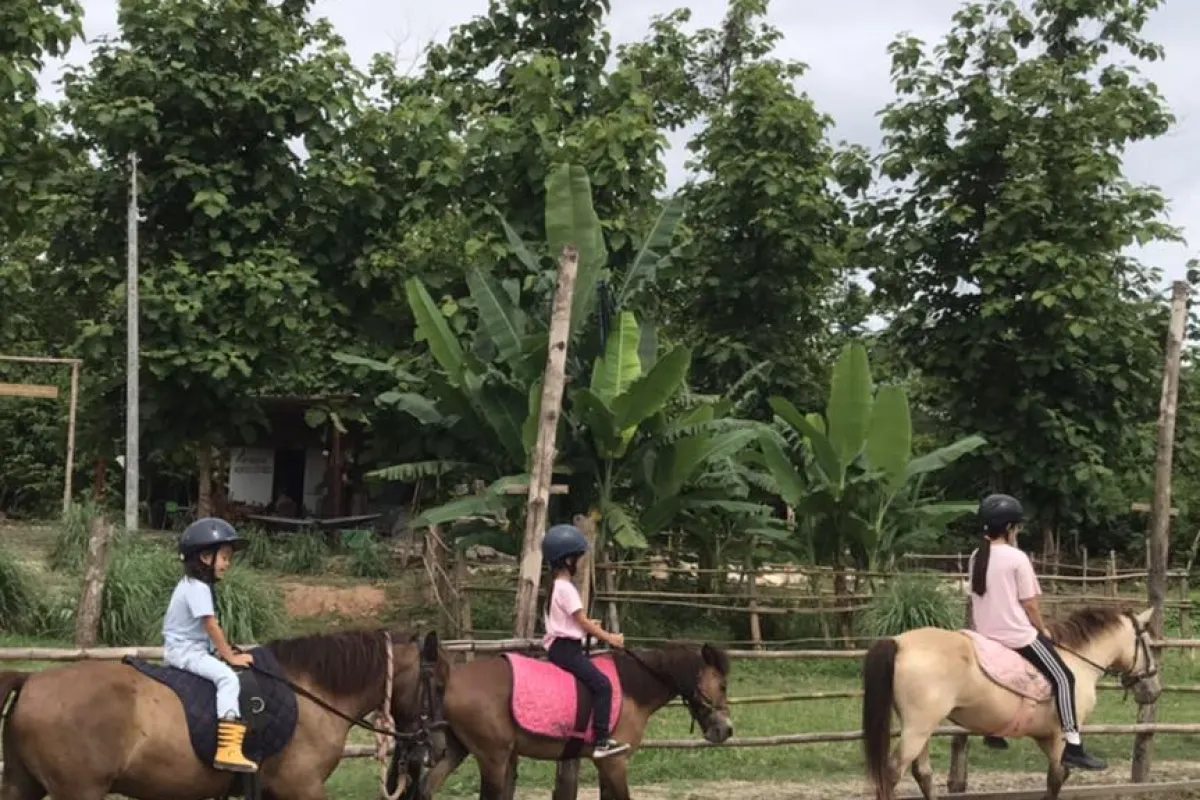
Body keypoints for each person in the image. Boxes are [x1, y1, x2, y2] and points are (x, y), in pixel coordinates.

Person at [968, 494, 1106, 771]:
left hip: (984, 635)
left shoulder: (976, 556)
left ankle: (993, 733)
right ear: (1009, 528)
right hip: (1016, 635)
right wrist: (1041, 629)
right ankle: (1074, 744)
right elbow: (1029, 604)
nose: (1017, 531)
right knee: (1065, 678)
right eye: (1016, 526)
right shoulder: (1016, 558)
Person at [163, 517, 258, 773]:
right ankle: (228, 749)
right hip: (186, 652)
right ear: (206, 557)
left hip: (190, 648)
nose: (228, 564)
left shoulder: (195, 585)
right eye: (225, 557)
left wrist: (219, 651)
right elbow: (211, 626)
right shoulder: (197, 588)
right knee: (228, 679)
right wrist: (230, 657)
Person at [541, 523, 630, 759]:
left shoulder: (555, 586)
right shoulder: (567, 588)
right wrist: (611, 638)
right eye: (578, 558)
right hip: (566, 649)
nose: (580, 563)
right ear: (569, 560)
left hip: (560, 646)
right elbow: (582, 622)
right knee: (602, 685)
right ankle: (601, 741)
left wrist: (590, 625)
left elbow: (575, 621)